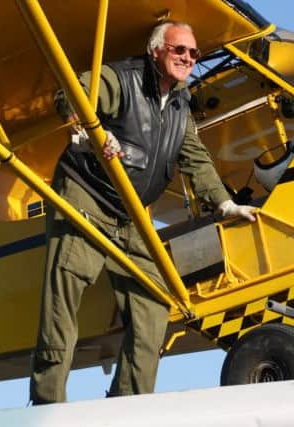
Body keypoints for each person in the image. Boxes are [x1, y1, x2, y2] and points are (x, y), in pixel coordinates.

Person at [29, 20, 255, 404]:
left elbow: (194, 157)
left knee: (154, 299)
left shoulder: (181, 101)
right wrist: (92, 129)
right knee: (65, 294)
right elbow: (73, 95)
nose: (188, 58)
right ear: (156, 51)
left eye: (194, 53)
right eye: (179, 49)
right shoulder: (122, 79)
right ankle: (47, 403)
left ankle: (129, 404)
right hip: (87, 197)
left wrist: (224, 202)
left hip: (129, 214)